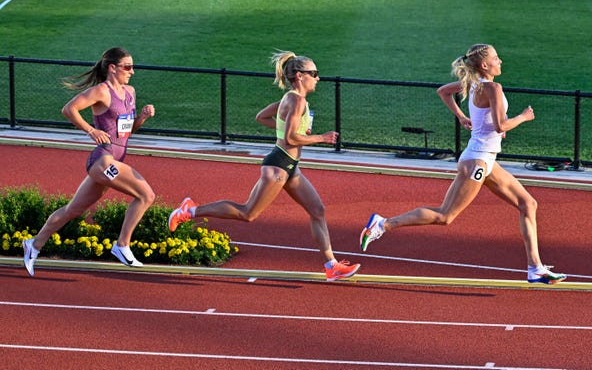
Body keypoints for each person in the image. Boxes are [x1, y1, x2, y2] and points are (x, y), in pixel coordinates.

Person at [360, 44, 566, 284]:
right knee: (445, 216)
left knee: (528, 204)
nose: (501, 61)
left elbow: (443, 92)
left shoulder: (473, 83)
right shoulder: (492, 87)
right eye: (496, 58)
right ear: (484, 65)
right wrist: (523, 117)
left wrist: (462, 117)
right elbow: (501, 125)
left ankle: (535, 268)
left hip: (484, 158)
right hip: (477, 160)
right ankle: (383, 224)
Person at [168, 50, 361, 282]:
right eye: (314, 73)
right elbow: (290, 139)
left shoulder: (290, 99)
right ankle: (188, 211)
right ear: (300, 75)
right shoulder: (296, 100)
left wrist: (295, 131)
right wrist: (322, 137)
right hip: (279, 165)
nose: (318, 78)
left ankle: (331, 265)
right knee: (248, 213)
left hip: (290, 167)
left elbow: (262, 117)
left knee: (317, 210)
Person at [22, 47, 156, 276]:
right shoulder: (101, 92)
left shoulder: (130, 92)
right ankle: (122, 245)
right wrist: (91, 130)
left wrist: (141, 118)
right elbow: (68, 109)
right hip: (102, 162)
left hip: (115, 159)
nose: (132, 71)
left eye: (133, 66)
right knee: (146, 195)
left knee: (73, 210)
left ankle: (34, 244)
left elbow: (125, 132)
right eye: (127, 66)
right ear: (112, 68)